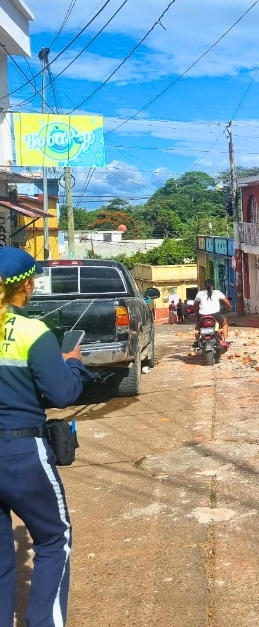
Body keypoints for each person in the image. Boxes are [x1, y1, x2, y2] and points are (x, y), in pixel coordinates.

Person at [0, 247, 89, 626]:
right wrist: (74, 365)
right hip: (22, 452)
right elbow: (61, 393)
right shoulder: (32, 332)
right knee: (54, 539)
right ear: (26, 286)